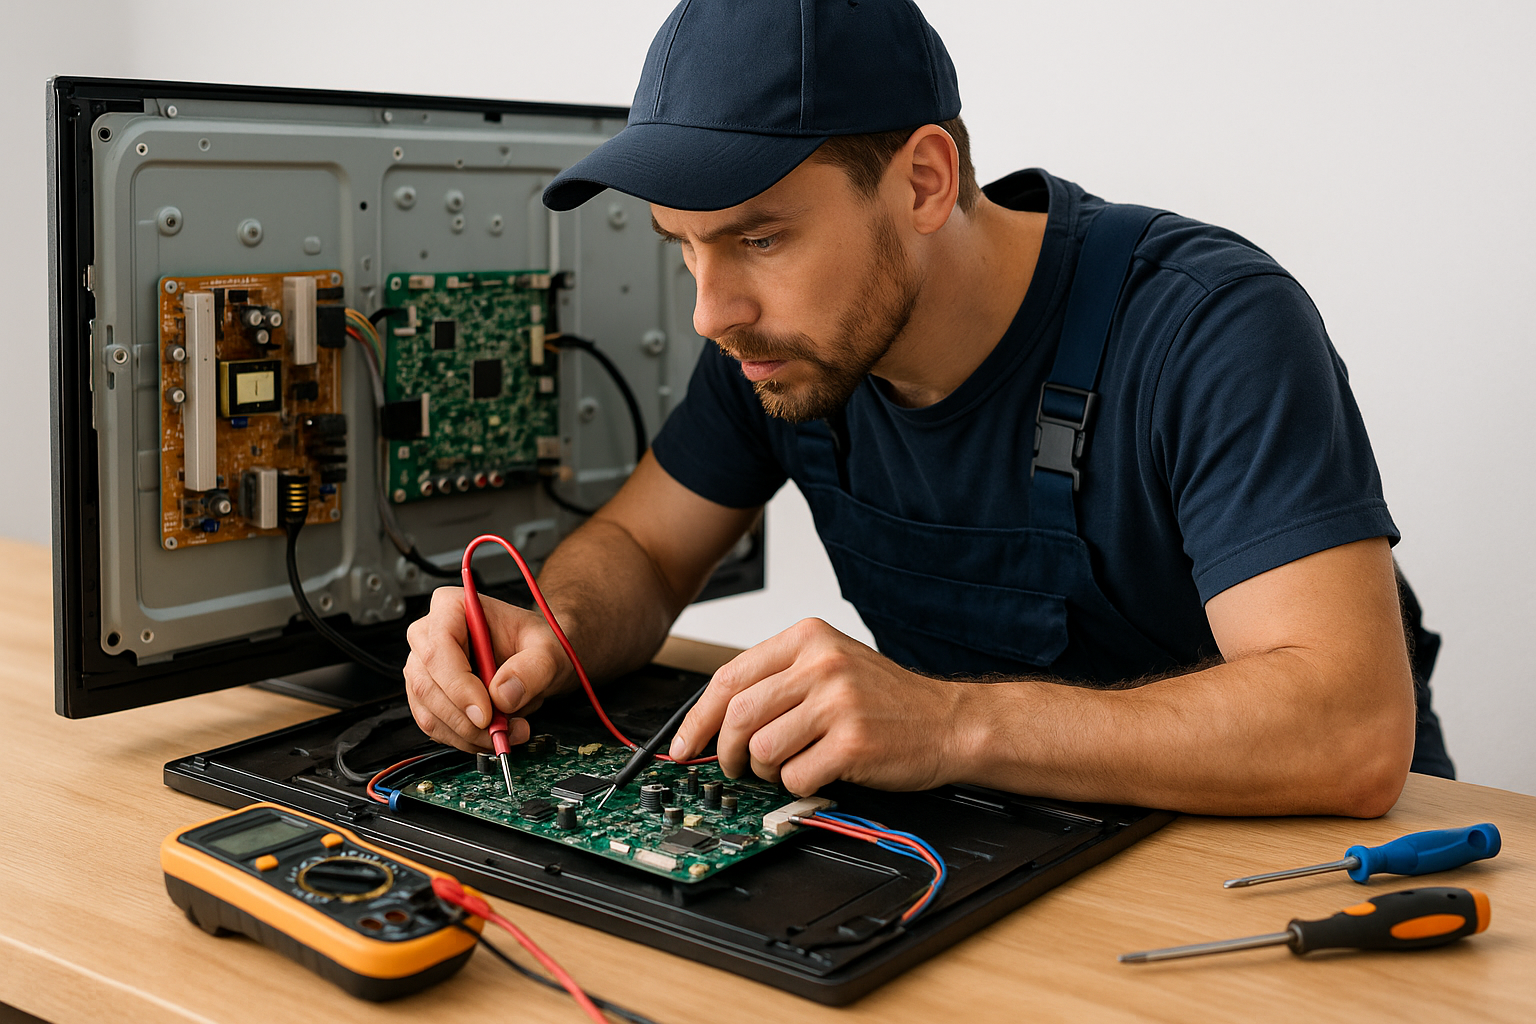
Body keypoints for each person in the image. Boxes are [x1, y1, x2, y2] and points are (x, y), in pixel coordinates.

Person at [405, 0, 1451, 817]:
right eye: (682, 243)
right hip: (995, 851)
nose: (710, 311)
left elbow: (1349, 729)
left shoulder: (1206, 327)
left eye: (759, 238)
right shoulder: (774, 346)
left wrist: (951, 723)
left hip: (1294, 877)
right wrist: (550, 627)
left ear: (923, 181)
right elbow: (644, 545)